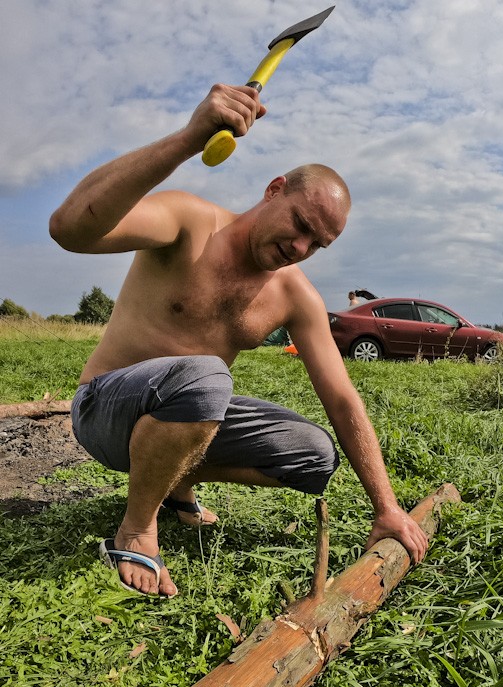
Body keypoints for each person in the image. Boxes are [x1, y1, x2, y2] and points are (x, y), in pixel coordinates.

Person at [49, 83, 428, 598]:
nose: (299, 247)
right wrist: (189, 138)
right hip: (104, 410)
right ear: (274, 190)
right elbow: (71, 229)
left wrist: (386, 506)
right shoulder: (189, 224)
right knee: (208, 376)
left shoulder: (295, 296)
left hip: (188, 407)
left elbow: (341, 397)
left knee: (314, 454)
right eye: (299, 224)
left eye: (316, 244)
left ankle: (174, 480)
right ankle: (138, 527)